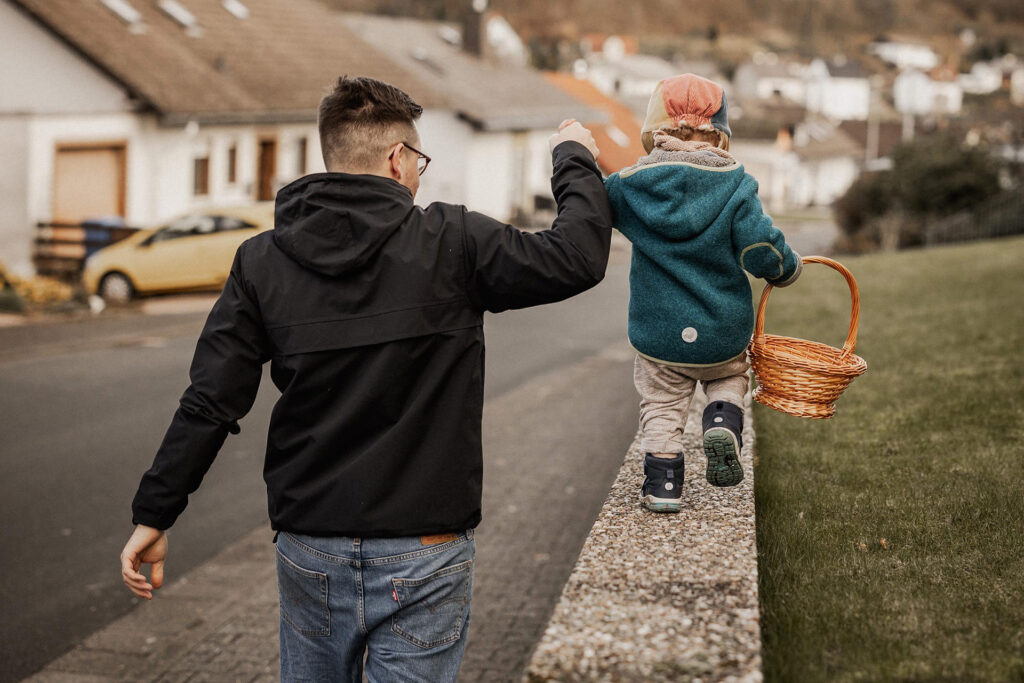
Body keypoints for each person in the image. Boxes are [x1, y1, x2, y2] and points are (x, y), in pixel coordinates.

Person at [119, 76, 611, 681]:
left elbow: (210, 402)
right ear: (398, 159)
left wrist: (155, 514)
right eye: (420, 161)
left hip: (311, 546)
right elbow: (578, 257)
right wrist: (573, 157)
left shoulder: (260, 260)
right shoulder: (453, 241)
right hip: (424, 550)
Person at [603, 73, 802, 514]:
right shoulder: (735, 184)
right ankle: (722, 418)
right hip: (721, 328)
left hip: (658, 333)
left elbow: (586, 208)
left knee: (661, 406)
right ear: (721, 135)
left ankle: (664, 485)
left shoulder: (626, 187)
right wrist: (786, 269)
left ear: (655, 131)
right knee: (730, 376)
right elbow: (760, 248)